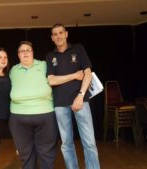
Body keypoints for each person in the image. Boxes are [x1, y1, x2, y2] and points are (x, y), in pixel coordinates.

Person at [46, 23, 101, 169]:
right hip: (60, 104)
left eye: (60, 33)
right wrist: (74, 75)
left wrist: (80, 95)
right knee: (66, 144)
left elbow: (87, 74)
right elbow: (51, 80)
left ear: (66, 34)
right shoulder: (50, 56)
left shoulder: (78, 48)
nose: (58, 36)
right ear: (52, 38)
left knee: (89, 142)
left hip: (81, 101)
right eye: (55, 34)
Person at [9, 41, 57, 169]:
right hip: (18, 117)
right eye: (22, 51)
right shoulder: (13, 70)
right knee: (25, 154)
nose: (25, 53)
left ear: (33, 52)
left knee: (46, 153)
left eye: (28, 50)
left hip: (45, 114)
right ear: (18, 55)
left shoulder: (45, 65)